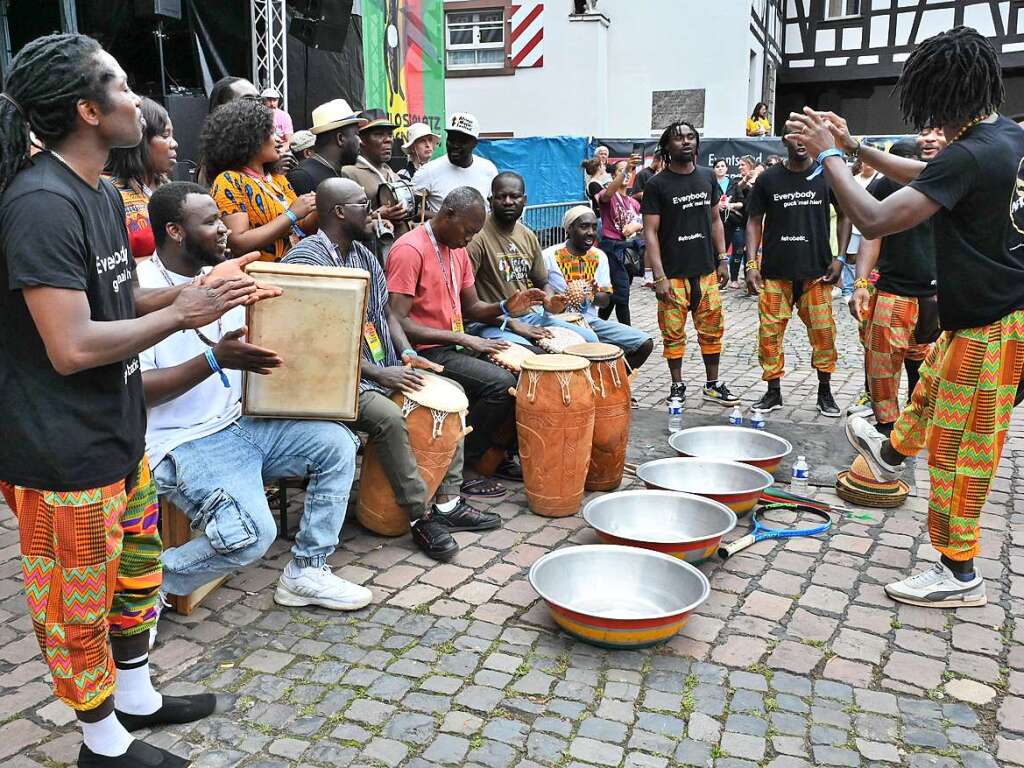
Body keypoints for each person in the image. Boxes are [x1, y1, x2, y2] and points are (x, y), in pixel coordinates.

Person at [0, 33, 275, 767]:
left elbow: (115, 297)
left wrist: (196, 294)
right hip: (62, 450)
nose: (139, 100)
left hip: (118, 433)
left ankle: (138, 698)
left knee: (137, 577)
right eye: (121, 86)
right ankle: (103, 745)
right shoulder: (40, 204)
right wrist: (186, 315)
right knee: (77, 608)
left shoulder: (92, 191)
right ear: (89, 110)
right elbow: (73, 345)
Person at [787, 27, 1024, 607]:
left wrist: (832, 156)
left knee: (959, 449)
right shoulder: (1005, 136)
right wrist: (861, 150)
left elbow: (871, 218)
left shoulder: (971, 152)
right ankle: (889, 453)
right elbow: (936, 181)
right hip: (985, 317)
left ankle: (957, 572)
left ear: (940, 96)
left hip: (996, 325)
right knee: (931, 390)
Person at [139, 182, 370, 614]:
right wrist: (215, 359)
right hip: (183, 440)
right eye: (209, 222)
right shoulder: (142, 286)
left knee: (338, 444)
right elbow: (140, 391)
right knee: (251, 536)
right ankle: (141, 589)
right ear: (173, 230)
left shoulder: (227, 274)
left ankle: (307, 571)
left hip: (241, 423)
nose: (225, 229)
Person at [283, 178, 501, 559]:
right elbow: (308, 342)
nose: (372, 211)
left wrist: (404, 354)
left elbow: (387, 313)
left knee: (450, 395)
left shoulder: (363, 256)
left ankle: (449, 502)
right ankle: (420, 516)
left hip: (373, 367)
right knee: (388, 417)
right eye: (362, 205)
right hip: (326, 380)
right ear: (338, 212)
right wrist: (375, 373)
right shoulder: (306, 259)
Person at [387, 187, 547, 496]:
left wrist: (505, 307)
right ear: (448, 215)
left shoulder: (457, 249)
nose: (470, 239)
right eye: (468, 230)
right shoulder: (409, 249)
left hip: (455, 343)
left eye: (475, 232)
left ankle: (495, 455)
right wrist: (464, 338)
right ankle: (468, 465)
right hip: (424, 351)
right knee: (501, 385)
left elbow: (473, 307)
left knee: (531, 368)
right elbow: (398, 320)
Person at [745, 136, 847, 417]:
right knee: (769, 334)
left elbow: (845, 214)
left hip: (817, 273)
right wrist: (751, 263)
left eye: (806, 134)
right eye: (794, 135)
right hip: (776, 273)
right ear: (784, 140)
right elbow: (754, 221)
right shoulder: (768, 179)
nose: (801, 141)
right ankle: (773, 391)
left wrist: (840, 259)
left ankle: (825, 392)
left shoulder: (826, 174)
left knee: (824, 334)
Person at [847, 139, 942, 433]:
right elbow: (871, 234)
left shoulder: (943, 182)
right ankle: (893, 428)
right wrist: (861, 282)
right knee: (893, 367)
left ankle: (901, 426)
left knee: (906, 367)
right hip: (902, 293)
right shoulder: (885, 186)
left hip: (929, 296)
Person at [642, 122, 738, 406]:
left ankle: (712, 384)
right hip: (672, 276)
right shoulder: (656, 184)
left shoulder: (708, 177)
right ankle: (677, 384)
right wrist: (658, 276)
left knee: (712, 330)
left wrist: (723, 259)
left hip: (706, 272)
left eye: (690, 137)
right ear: (667, 146)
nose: (685, 141)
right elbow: (650, 232)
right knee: (672, 334)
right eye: (678, 138)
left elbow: (715, 220)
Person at [468, 172, 599, 345]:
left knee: (589, 340)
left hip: (528, 317)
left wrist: (549, 301)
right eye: (501, 197)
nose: (508, 201)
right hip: (489, 321)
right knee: (531, 353)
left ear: (525, 200)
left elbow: (542, 281)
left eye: (514, 196)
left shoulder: (528, 236)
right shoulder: (477, 237)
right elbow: (466, 304)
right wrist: (511, 323)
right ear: (490, 200)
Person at [543, 206, 654, 372]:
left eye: (594, 227)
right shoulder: (549, 256)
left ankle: (611, 383)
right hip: (558, 324)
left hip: (591, 323)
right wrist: (556, 300)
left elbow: (604, 301)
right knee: (589, 343)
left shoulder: (599, 256)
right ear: (569, 229)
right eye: (584, 226)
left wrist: (593, 294)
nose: (590, 232)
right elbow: (539, 294)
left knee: (644, 343)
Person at [204, 98, 316, 261]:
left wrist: (321, 206)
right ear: (248, 138)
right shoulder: (229, 181)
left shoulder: (277, 179)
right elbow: (237, 242)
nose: (279, 139)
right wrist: (291, 214)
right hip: (257, 278)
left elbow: (301, 226)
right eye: (271, 132)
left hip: (290, 272)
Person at [105, 97, 177, 260]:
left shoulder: (170, 188)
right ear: (140, 139)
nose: (174, 143)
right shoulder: (108, 192)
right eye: (165, 135)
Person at [342, 109, 412, 257]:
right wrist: (377, 215)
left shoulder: (393, 175)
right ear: (361, 140)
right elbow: (343, 221)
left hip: (400, 253)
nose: (388, 140)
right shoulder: (349, 172)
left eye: (390, 135)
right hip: (371, 254)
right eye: (378, 134)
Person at [413, 112, 498, 215]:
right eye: (451, 139)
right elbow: (409, 210)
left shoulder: (488, 169)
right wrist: (443, 218)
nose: (455, 145)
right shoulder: (428, 171)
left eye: (462, 140)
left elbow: (495, 209)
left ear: (474, 143)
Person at [594, 157, 643, 325]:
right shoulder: (609, 194)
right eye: (622, 171)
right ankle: (629, 336)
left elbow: (641, 223)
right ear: (615, 175)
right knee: (622, 295)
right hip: (611, 249)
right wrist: (626, 169)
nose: (628, 174)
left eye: (630, 172)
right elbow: (606, 195)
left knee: (615, 294)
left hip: (628, 250)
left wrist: (636, 226)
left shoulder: (634, 203)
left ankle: (597, 325)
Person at [286, 99, 363, 196]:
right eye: (356, 134)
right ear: (340, 138)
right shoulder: (302, 177)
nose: (360, 141)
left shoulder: (338, 172)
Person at [837, 158, 880, 297]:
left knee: (871, 258)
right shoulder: (853, 179)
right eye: (866, 161)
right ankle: (849, 289)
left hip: (874, 226)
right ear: (861, 163)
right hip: (854, 225)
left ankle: (867, 288)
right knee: (851, 258)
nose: (869, 163)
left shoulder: (881, 180)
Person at [725, 155, 756, 289]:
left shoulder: (760, 180)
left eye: (742, 164)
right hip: (739, 222)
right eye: (739, 164)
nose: (740, 167)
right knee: (738, 248)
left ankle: (749, 276)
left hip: (754, 220)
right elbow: (738, 187)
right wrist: (746, 179)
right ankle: (733, 278)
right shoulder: (737, 180)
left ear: (750, 165)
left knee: (750, 251)